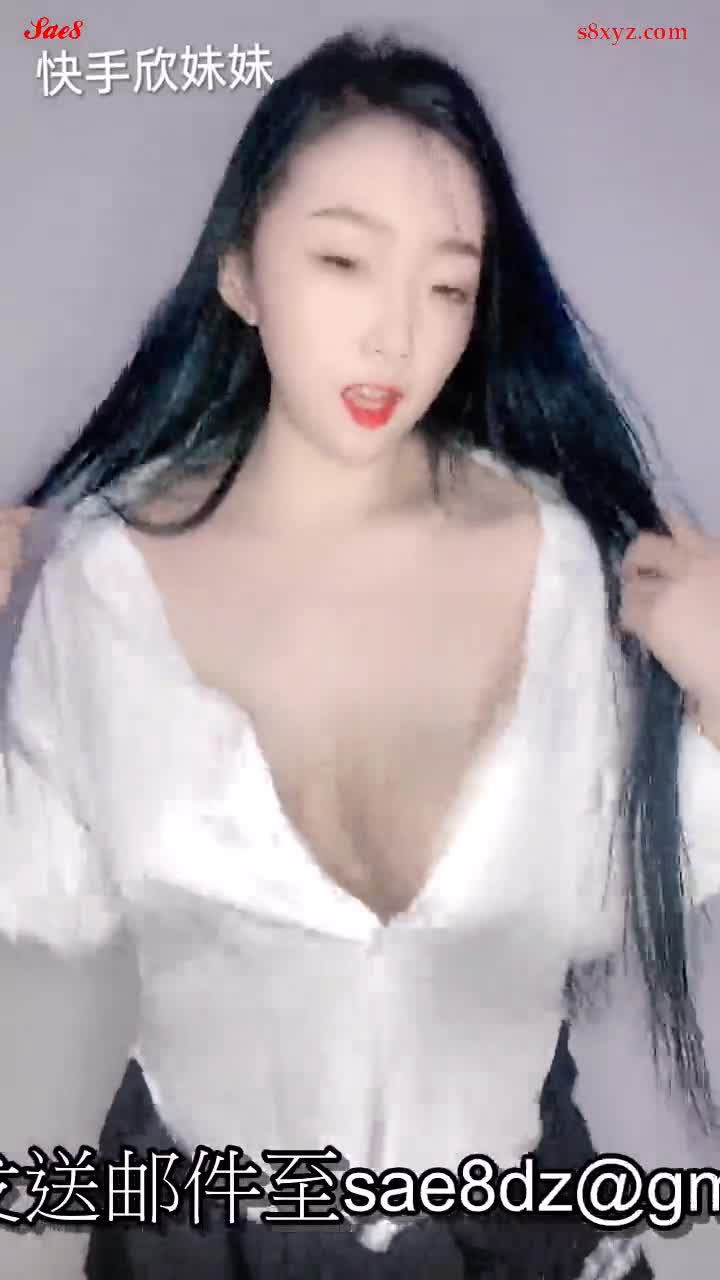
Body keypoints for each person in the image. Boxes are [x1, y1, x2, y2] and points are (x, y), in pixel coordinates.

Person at [1, 27, 719, 1280]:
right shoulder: (106, 583)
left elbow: (631, 872)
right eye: (343, 259)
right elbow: (37, 885)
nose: (397, 335)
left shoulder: (559, 562)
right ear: (241, 269)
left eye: (448, 287)